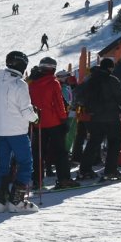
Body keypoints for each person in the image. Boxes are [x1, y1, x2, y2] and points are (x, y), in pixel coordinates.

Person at [0, 51, 39, 213]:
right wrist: (35, 117)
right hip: (17, 131)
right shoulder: (20, 84)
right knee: (25, 163)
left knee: (2, 165)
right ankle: (16, 201)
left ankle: (0, 200)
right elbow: (25, 110)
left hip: (1, 130)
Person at [28, 57, 80, 190]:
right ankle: (63, 179)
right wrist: (63, 120)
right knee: (60, 152)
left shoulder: (32, 83)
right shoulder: (53, 82)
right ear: (52, 68)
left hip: (37, 122)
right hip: (54, 122)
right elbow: (58, 103)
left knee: (38, 152)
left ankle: (37, 180)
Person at [76, 59, 121, 181]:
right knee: (114, 142)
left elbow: (79, 96)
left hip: (94, 117)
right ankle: (110, 170)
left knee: (93, 142)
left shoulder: (91, 80)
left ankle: (84, 170)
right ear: (110, 68)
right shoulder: (112, 80)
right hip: (111, 117)